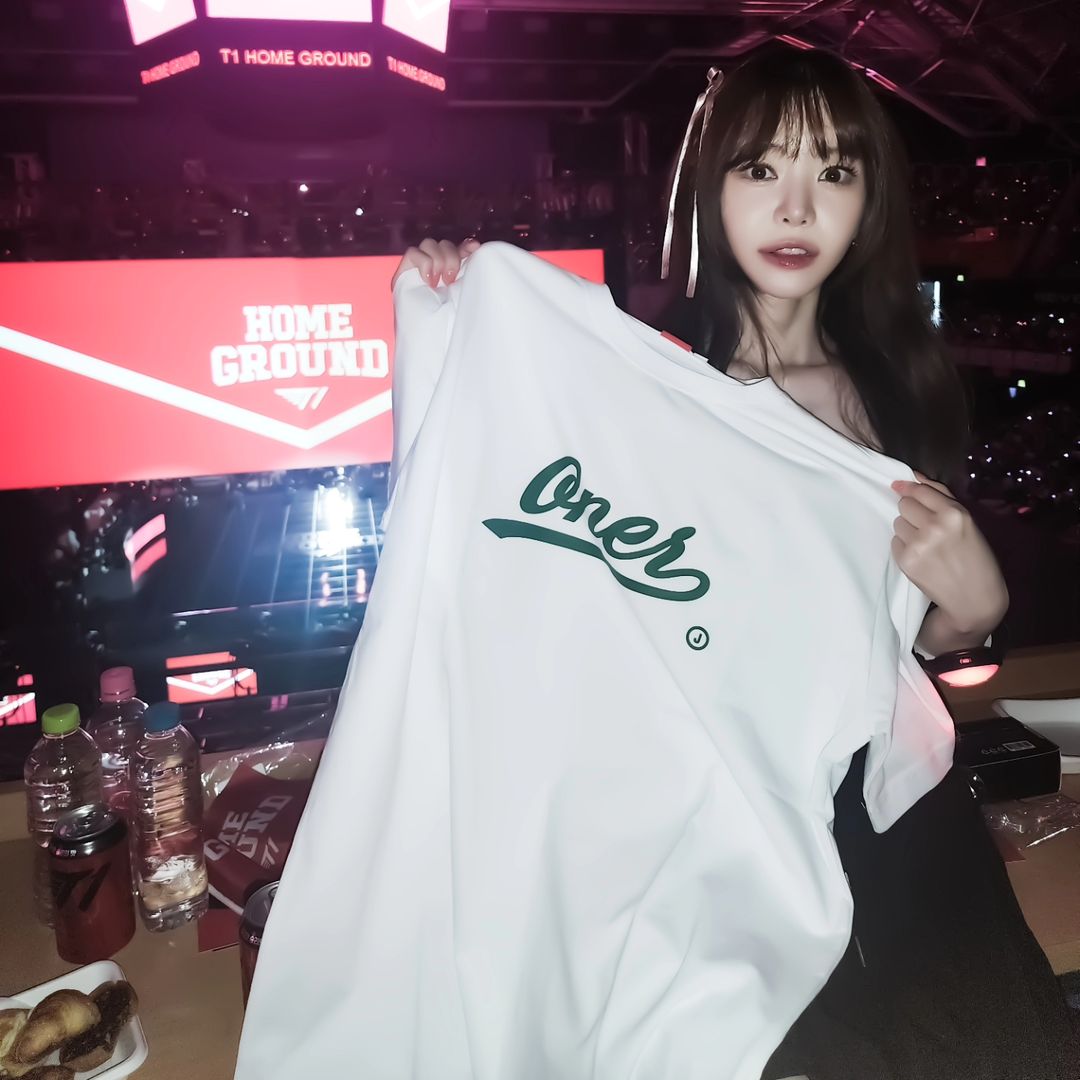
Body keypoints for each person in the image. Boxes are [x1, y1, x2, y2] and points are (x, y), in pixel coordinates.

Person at [392, 46, 1078, 1080]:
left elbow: (887, 631)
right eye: (761, 169)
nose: (796, 208)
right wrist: (458, 312)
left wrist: (970, 612)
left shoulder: (904, 392)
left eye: (834, 172)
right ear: (710, 191)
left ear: (869, 203)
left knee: (996, 1046)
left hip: (877, 800)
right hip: (698, 802)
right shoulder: (644, 386)